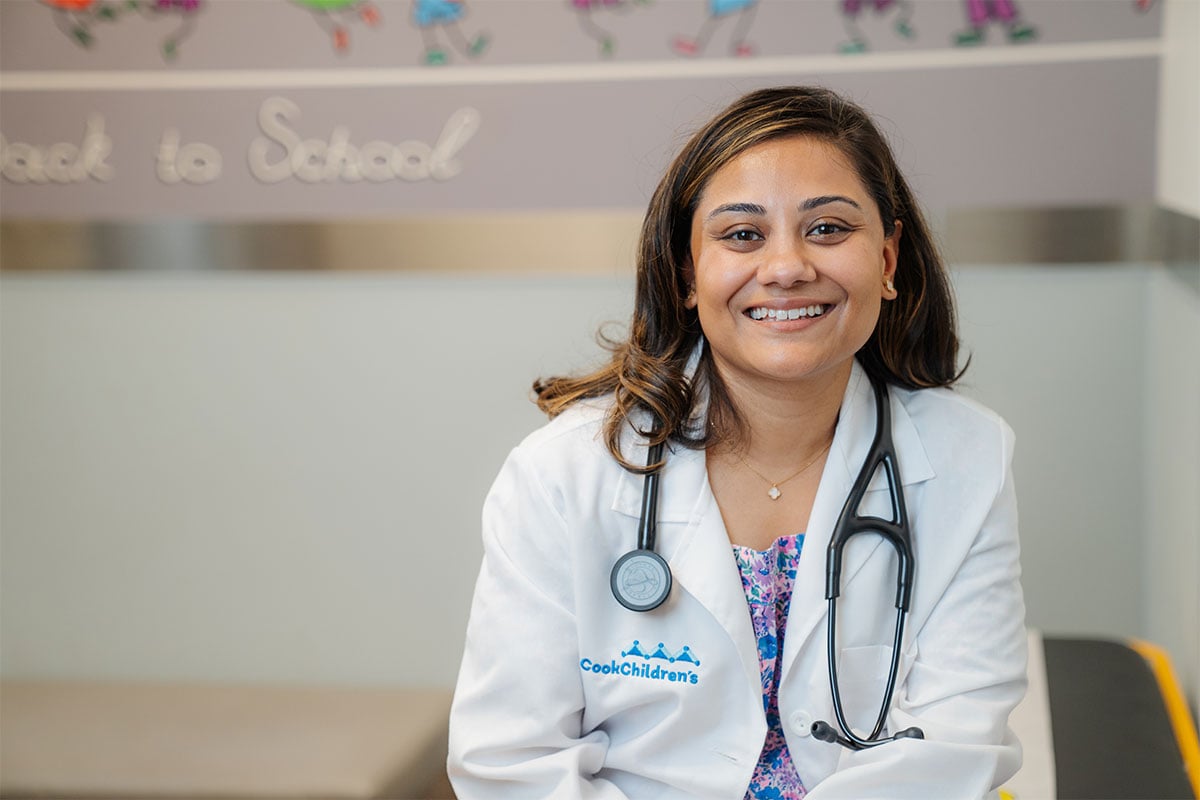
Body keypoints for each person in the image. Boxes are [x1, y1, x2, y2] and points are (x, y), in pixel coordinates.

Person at [448, 85, 1027, 799]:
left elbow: (954, 743)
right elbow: (510, 760)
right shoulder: (563, 474)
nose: (786, 266)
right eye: (742, 235)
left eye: (828, 229)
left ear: (887, 257)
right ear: (688, 272)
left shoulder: (969, 458)